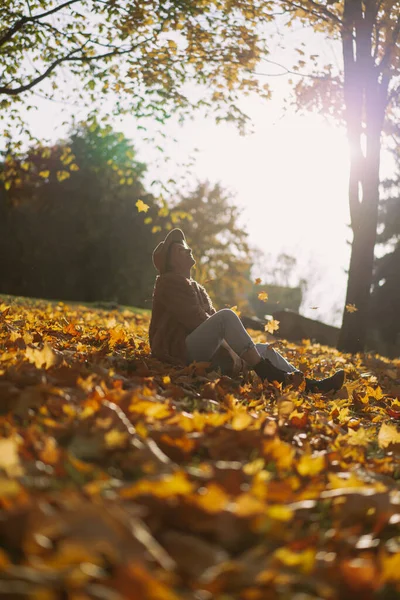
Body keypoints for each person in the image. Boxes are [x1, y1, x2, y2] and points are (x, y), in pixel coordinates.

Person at [149, 228, 345, 392]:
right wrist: (231, 351)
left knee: (264, 350)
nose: (189, 249)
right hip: (178, 351)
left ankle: (310, 386)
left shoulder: (196, 287)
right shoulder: (169, 282)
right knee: (226, 316)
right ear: (172, 258)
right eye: (182, 249)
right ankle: (266, 371)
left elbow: (211, 326)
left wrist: (234, 351)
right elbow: (198, 321)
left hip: (202, 351)